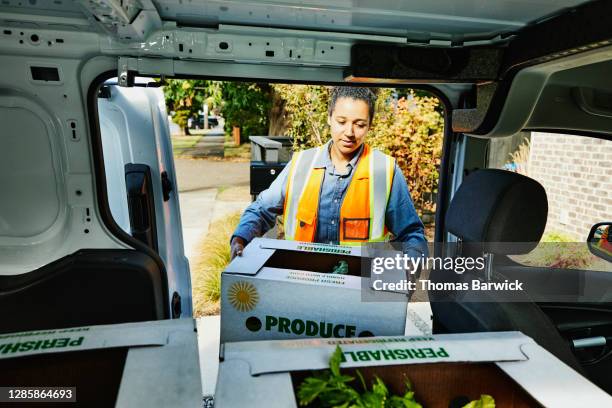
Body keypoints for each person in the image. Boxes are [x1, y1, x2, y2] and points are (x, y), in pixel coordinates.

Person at [230, 86, 427, 259]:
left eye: (359, 124)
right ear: (329, 118)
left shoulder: (386, 171)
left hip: (361, 288)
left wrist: (410, 263)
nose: (349, 132)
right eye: (341, 121)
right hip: (302, 279)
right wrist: (241, 237)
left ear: (370, 125)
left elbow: (411, 234)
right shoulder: (301, 164)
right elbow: (261, 209)